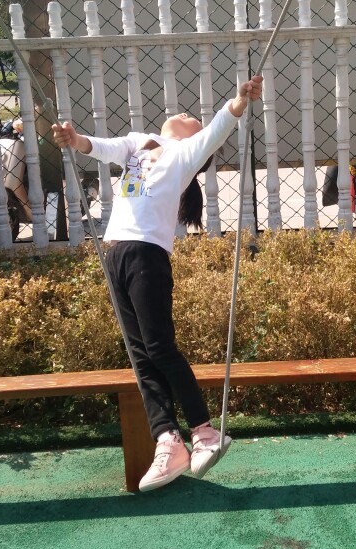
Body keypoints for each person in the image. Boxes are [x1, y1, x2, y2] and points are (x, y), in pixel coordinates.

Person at [51, 74, 263, 492]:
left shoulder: (185, 154)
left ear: (194, 137)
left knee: (159, 348)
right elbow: (102, 147)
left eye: (194, 118)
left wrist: (239, 101)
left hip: (147, 255)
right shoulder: (138, 142)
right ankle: (168, 439)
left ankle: (204, 432)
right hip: (116, 254)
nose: (186, 113)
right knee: (140, 356)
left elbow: (220, 126)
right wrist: (76, 140)